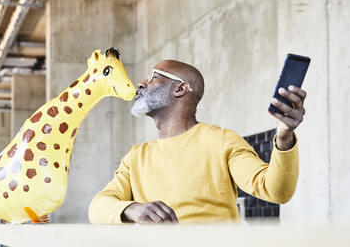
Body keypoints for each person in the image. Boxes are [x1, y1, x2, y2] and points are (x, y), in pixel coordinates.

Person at [88, 60, 306, 224]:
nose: (141, 84)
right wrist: (131, 209)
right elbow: (97, 207)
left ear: (181, 88)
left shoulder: (221, 140)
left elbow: (276, 191)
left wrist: (285, 135)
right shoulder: (136, 156)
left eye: (154, 77)